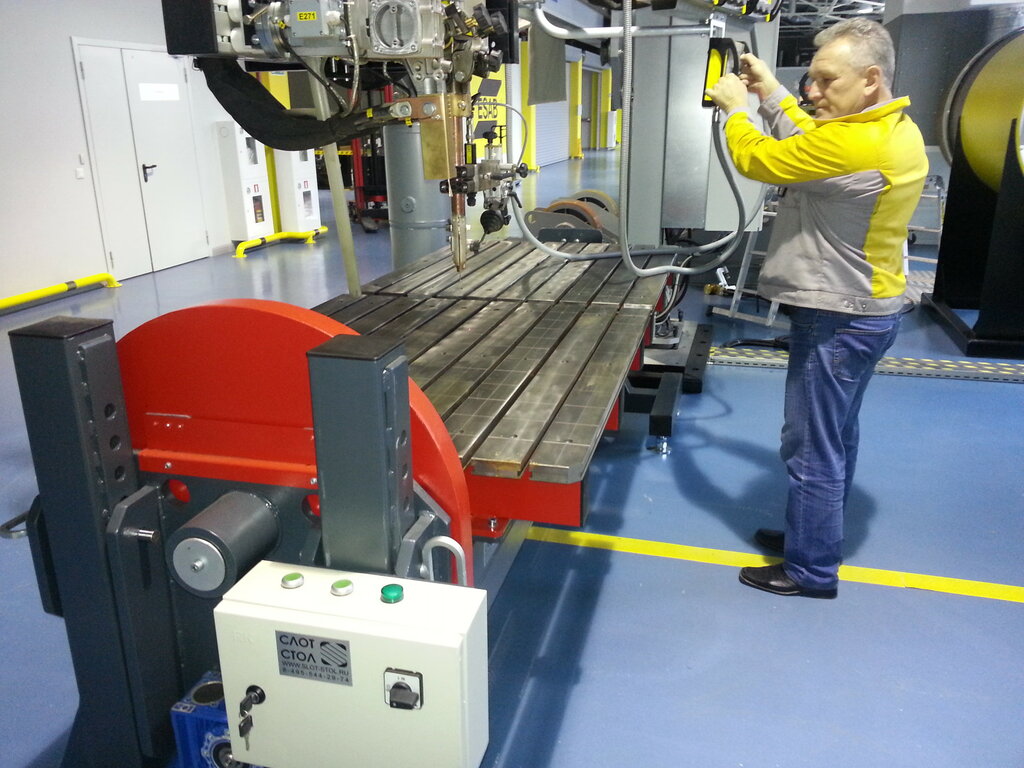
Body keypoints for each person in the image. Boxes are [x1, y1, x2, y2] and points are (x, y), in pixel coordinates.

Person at [705, 20, 927, 598]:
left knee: (811, 446)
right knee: (837, 436)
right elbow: (809, 140)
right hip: (870, 308)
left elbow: (762, 160)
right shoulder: (890, 128)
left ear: (871, 78)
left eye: (828, 80)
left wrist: (736, 109)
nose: (814, 91)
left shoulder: (857, 144)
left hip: (838, 316)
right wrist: (770, 91)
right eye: (812, 79)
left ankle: (811, 570)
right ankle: (814, 533)